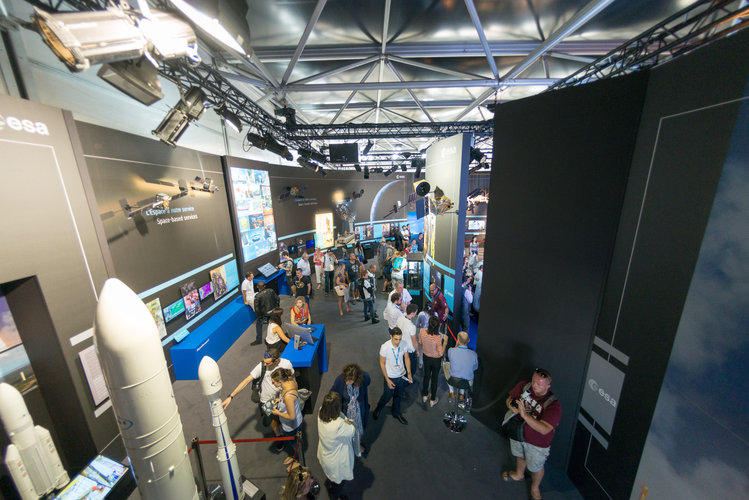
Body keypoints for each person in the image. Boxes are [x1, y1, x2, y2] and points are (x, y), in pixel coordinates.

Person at [502, 368, 562, 500]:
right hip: (518, 433)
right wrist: (510, 406)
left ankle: (535, 487)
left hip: (537, 444)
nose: (534, 385)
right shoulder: (525, 386)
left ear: (548, 386)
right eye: (534, 381)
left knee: (536, 467)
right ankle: (519, 474)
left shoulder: (553, 405)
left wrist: (524, 414)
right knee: (519, 455)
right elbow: (510, 399)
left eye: (539, 384)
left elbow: (545, 429)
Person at [222, 346, 294, 430]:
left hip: (282, 397)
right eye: (264, 362)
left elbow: (292, 379)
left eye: (267, 363)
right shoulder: (261, 366)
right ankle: (277, 434)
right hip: (267, 401)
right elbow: (246, 380)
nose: (264, 365)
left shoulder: (287, 364)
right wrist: (231, 396)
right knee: (268, 420)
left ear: (277, 361)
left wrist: (286, 395)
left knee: (284, 416)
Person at [317, 392, 356, 500]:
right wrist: (348, 422)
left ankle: (332, 490)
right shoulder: (338, 424)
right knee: (338, 484)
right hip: (336, 461)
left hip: (325, 453)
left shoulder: (320, 411)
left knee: (332, 479)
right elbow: (352, 431)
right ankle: (335, 496)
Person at [372, 327, 412, 425]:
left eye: (400, 339)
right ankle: (379, 407)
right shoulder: (385, 347)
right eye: (396, 339)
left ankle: (396, 413)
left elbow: (406, 358)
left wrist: (409, 373)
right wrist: (387, 379)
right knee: (387, 396)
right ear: (391, 336)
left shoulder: (404, 344)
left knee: (398, 396)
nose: (398, 341)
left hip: (401, 376)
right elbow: (382, 363)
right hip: (390, 377)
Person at [330, 364, 370, 455]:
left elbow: (367, 383)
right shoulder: (340, 380)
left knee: (358, 429)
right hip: (345, 410)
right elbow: (333, 393)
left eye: (350, 380)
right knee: (346, 429)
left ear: (356, 379)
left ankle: (358, 444)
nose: (347, 382)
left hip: (360, 409)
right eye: (346, 380)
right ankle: (348, 444)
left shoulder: (365, 378)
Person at [270, 368, 303, 454]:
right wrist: (279, 400)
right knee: (295, 444)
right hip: (294, 422)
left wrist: (277, 413)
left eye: (274, 382)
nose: (272, 384)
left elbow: (291, 416)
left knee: (295, 445)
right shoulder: (290, 381)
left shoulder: (288, 397)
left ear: (280, 382)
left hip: (292, 427)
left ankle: (299, 461)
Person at [419, 315, 447, 407]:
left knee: (426, 376)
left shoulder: (422, 332)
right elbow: (441, 353)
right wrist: (445, 343)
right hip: (436, 361)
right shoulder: (438, 338)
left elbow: (420, 342)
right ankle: (432, 399)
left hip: (426, 358)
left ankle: (425, 395)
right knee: (434, 378)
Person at [447, 331, 478, 399]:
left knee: (446, 365)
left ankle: (451, 392)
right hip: (468, 382)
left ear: (457, 340)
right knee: (465, 371)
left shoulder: (450, 350)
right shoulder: (474, 354)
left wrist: (456, 344)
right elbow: (475, 368)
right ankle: (461, 394)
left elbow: (451, 360)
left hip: (453, 380)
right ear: (469, 340)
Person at [395, 303, 419, 381]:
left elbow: (396, 330)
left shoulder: (400, 319)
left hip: (400, 347)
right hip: (410, 351)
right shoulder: (412, 327)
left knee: (402, 366)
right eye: (416, 312)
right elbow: (414, 341)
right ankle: (407, 381)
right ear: (413, 313)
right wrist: (417, 350)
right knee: (412, 369)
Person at [253, 281, 279, 346]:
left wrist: (260, 316)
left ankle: (258, 340)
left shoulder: (257, 296)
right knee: (276, 324)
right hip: (273, 311)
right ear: (264, 286)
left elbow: (257, 309)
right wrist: (277, 308)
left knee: (259, 325)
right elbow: (277, 299)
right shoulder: (271, 291)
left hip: (265, 314)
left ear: (257, 287)